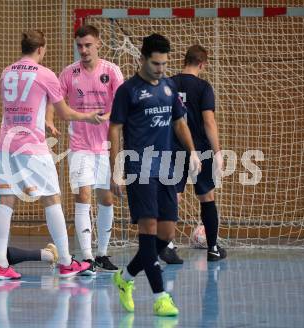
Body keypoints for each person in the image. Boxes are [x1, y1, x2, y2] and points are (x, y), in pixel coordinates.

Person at [0, 30, 105, 280]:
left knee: (6, 202)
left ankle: (1, 265)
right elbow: (64, 113)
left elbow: (19, 107)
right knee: (52, 199)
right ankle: (66, 262)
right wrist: (89, 116)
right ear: (41, 49)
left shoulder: (6, 72)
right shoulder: (45, 74)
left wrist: (44, 119)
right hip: (32, 148)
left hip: (5, 147)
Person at [109, 34, 201, 317]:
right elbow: (114, 129)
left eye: (164, 63)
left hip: (166, 168)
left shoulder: (170, 87)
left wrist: (193, 151)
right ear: (143, 59)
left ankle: (125, 278)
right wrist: (116, 169)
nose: (161, 69)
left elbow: (179, 122)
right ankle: (161, 297)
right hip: (140, 169)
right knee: (148, 234)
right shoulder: (128, 91)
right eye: (155, 63)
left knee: (166, 235)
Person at [46, 25, 123, 274]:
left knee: (106, 198)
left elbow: (122, 104)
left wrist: (107, 116)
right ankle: (88, 257)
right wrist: (48, 120)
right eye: (79, 45)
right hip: (79, 146)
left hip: (105, 146)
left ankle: (102, 253)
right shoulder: (69, 73)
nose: (84, 50)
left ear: (98, 43)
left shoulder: (111, 71)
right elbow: (54, 99)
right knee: (83, 198)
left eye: (88, 45)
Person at [160, 45, 227, 264]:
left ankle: (167, 244)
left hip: (174, 147)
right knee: (206, 196)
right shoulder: (204, 86)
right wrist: (217, 152)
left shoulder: (168, 83)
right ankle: (213, 248)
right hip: (200, 149)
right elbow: (209, 121)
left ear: (184, 60)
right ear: (202, 64)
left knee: (174, 195)